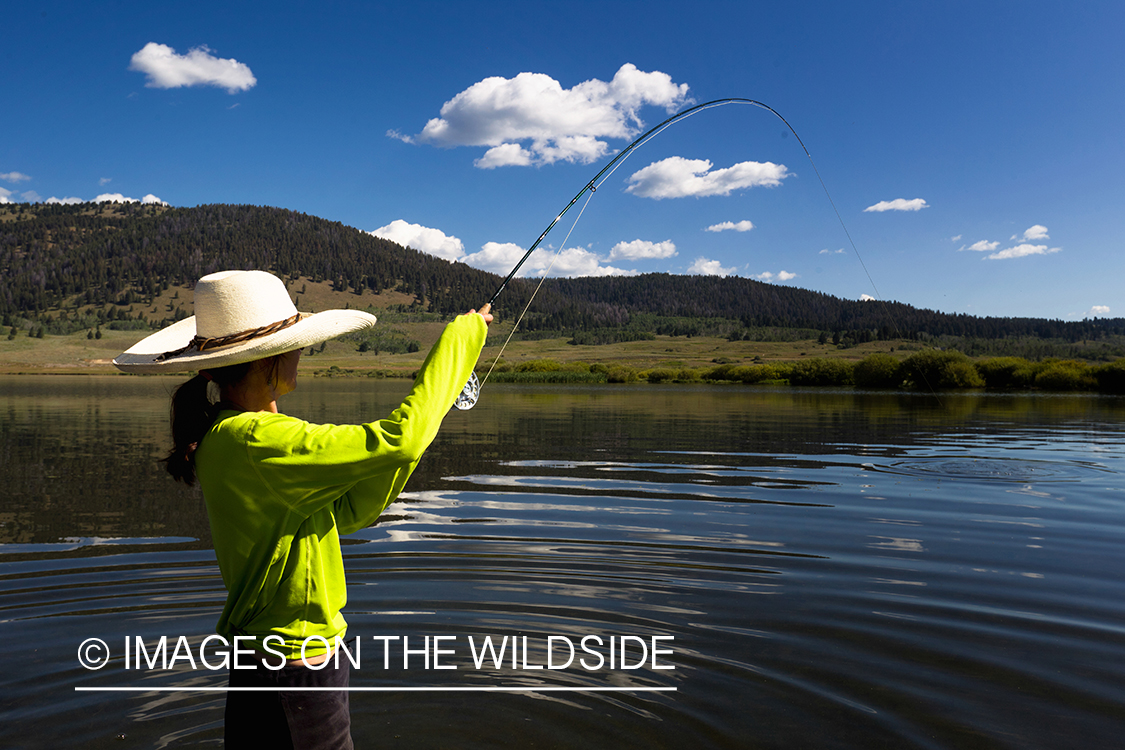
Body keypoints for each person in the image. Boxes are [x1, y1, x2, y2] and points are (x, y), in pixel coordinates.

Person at [114, 269, 492, 749]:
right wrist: (461, 340)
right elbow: (401, 439)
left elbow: (349, 510)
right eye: (295, 345)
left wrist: (428, 412)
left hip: (264, 662)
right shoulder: (260, 439)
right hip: (296, 670)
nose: (301, 353)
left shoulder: (228, 436)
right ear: (266, 358)